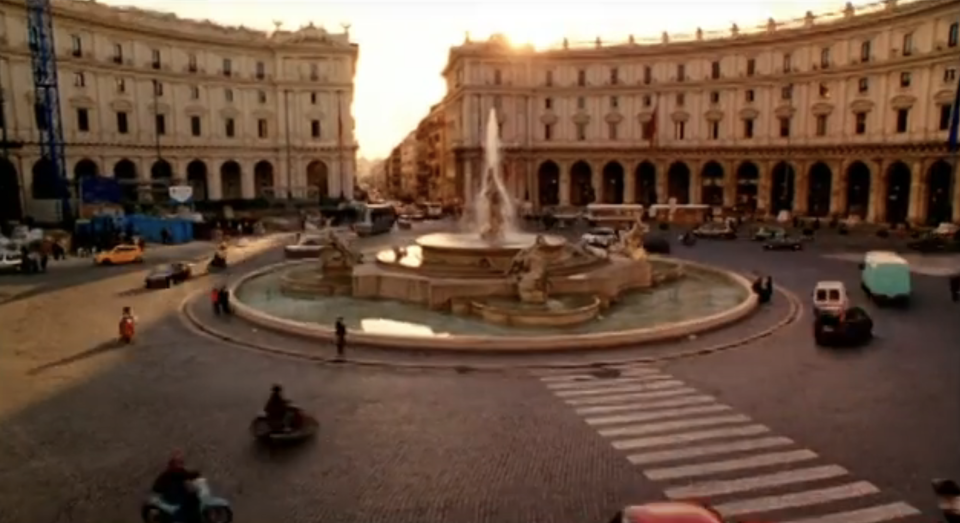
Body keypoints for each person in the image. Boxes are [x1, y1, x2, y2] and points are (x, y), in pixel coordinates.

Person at [151, 452, 201, 523]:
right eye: (179, 463)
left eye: (181, 462)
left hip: (172, 491)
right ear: (173, 464)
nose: (181, 464)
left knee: (191, 496)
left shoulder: (175, 471)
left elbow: (187, 474)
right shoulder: (173, 472)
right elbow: (186, 475)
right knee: (188, 500)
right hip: (170, 493)